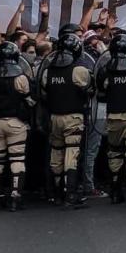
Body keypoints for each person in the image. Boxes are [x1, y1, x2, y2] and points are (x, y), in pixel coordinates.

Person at [0, 42, 34, 212]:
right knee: (17, 159)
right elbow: (30, 98)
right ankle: (15, 196)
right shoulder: (20, 76)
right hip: (16, 123)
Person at [40, 33, 93, 209]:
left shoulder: (48, 71)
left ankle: (57, 194)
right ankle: (70, 193)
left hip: (54, 117)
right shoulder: (79, 70)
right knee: (72, 153)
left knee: (56, 153)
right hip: (73, 117)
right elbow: (90, 88)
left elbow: (44, 92)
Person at [96, 34, 126, 207]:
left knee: (114, 153)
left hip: (112, 118)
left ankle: (115, 193)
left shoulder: (104, 70)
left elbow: (100, 93)